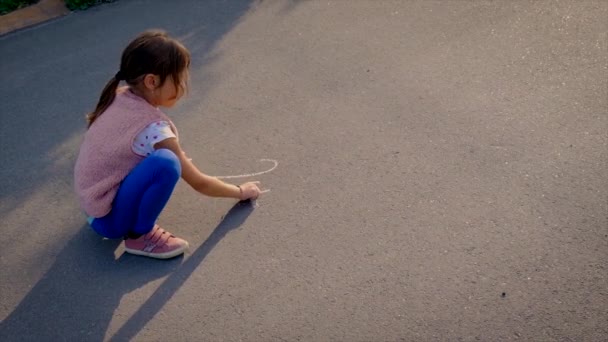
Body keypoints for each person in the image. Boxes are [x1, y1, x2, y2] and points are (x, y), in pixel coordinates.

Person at [74, 30, 261, 259]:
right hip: (109, 222)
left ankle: (130, 223)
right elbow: (200, 183)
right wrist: (241, 192)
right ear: (152, 81)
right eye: (179, 79)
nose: (184, 86)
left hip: (92, 206)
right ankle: (139, 237)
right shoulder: (154, 129)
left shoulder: (119, 96)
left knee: (165, 159)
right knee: (167, 163)